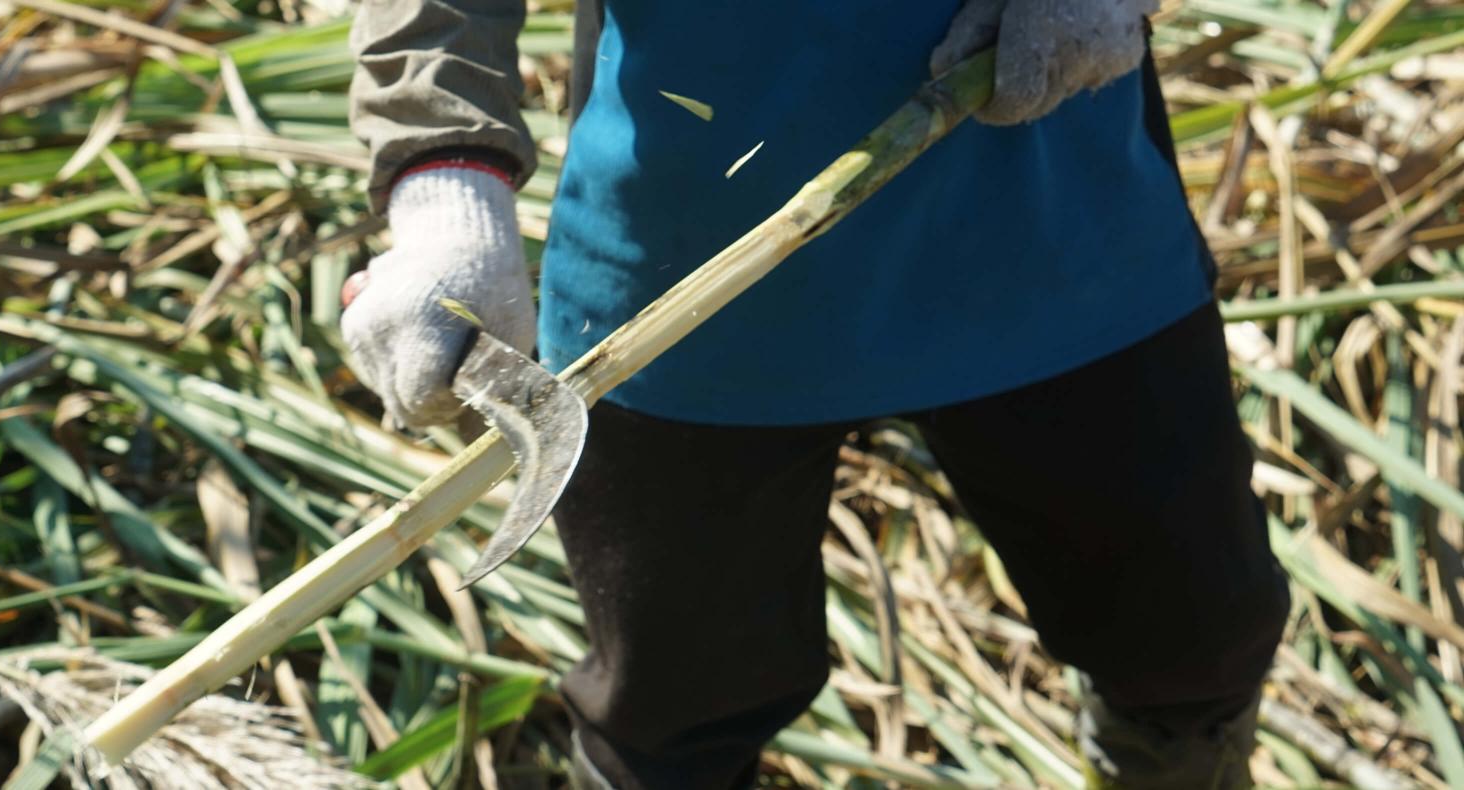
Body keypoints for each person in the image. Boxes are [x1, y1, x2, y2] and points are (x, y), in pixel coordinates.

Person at [340, 1, 1291, 787]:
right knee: (674, 710)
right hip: (685, 263)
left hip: (1057, 210)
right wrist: (443, 189)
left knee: (1188, 635)